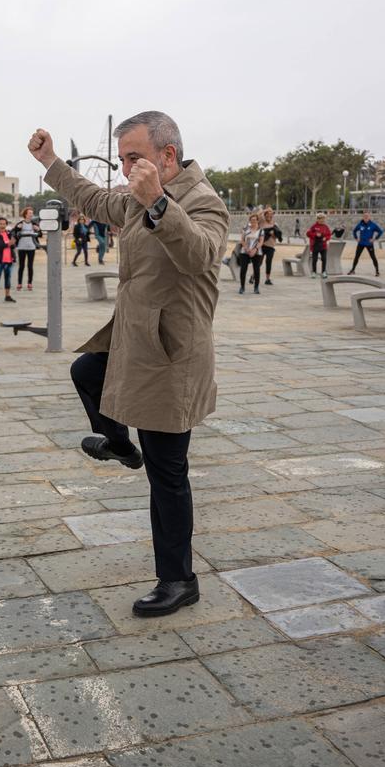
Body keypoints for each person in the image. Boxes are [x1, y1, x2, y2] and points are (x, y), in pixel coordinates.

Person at [28, 110, 229, 617]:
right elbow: (95, 200)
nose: (124, 170)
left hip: (171, 354)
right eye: (121, 160)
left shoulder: (202, 201)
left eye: (133, 158)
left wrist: (157, 201)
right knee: (86, 371)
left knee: (167, 473)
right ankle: (119, 442)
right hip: (134, 338)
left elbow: (199, 254)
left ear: (167, 156)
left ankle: (179, 580)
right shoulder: (138, 198)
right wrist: (51, 161)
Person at [11, 207, 43, 290]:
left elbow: (40, 234)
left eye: (32, 213)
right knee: (21, 266)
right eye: (30, 213)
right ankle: (19, 283)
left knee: (30, 266)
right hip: (21, 247)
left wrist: (38, 230)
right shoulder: (20, 223)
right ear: (25, 214)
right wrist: (18, 228)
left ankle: (29, 283)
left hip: (31, 247)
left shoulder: (34, 224)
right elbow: (13, 233)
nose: (31, 214)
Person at [0, 217, 17, 304]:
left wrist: (13, 243)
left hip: (9, 260)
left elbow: (12, 246)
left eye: (4, 224)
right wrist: (8, 244)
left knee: (8, 279)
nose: (2, 225)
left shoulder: (8, 233)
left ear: (6, 225)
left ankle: (7, 296)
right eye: (1, 224)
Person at [349, 211, 384, 276]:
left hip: (369, 244)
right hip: (361, 243)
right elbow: (354, 231)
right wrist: (356, 238)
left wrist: (374, 239)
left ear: (369, 217)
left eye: (367, 216)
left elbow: (380, 231)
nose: (366, 217)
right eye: (365, 216)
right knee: (356, 257)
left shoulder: (373, 225)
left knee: (373, 257)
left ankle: (377, 271)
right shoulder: (360, 224)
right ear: (363, 217)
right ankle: (353, 270)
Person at [237, 213, 263, 294]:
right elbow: (242, 240)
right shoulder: (245, 229)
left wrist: (255, 249)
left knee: (256, 270)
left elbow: (261, 241)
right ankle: (242, 287)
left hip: (257, 252)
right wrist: (247, 249)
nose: (253, 221)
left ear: (258, 220)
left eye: (255, 220)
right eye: (251, 220)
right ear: (249, 221)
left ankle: (256, 287)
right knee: (243, 269)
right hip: (245, 251)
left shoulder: (261, 230)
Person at [305, 213, 332, 278]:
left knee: (324, 259)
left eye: (323, 218)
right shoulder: (314, 226)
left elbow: (329, 235)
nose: (322, 220)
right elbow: (308, 233)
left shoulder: (326, 227)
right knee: (315, 259)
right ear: (317, 219)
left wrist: (326, 238)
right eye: (320, 218)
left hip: (323, 246)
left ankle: (323, 272)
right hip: (315, 245)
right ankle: (314, 272)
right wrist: (315, 235)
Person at [258, 207, 280, 285]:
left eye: (271, 215)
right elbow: (257, 215)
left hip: (271, 246)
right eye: (267, 215)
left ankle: (267, 279)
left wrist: (274, 234)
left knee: (269, 262)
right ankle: (253, 276)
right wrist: (265, 210)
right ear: (265, 215)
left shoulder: (274, 224)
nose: (269, 216)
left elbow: (278, 235)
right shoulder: (262, 222)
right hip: (262, 245)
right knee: (259, 262)